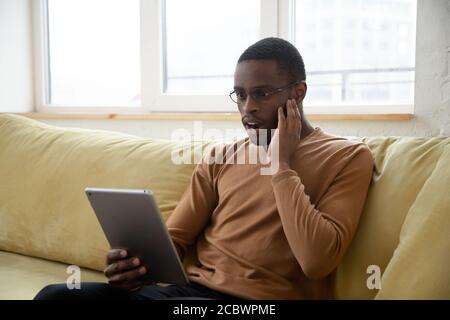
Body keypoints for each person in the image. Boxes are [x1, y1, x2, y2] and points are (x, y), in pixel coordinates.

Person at [35, 37, 373, 300]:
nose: (248, 108)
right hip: (189, 297)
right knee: (57, 297)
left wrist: (280, 163)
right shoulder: (221, 156)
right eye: (240, 95)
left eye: (262, 94)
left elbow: (316, 261)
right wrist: (134, 268)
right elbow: (174, 243)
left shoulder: (347, 157)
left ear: (298, 93)